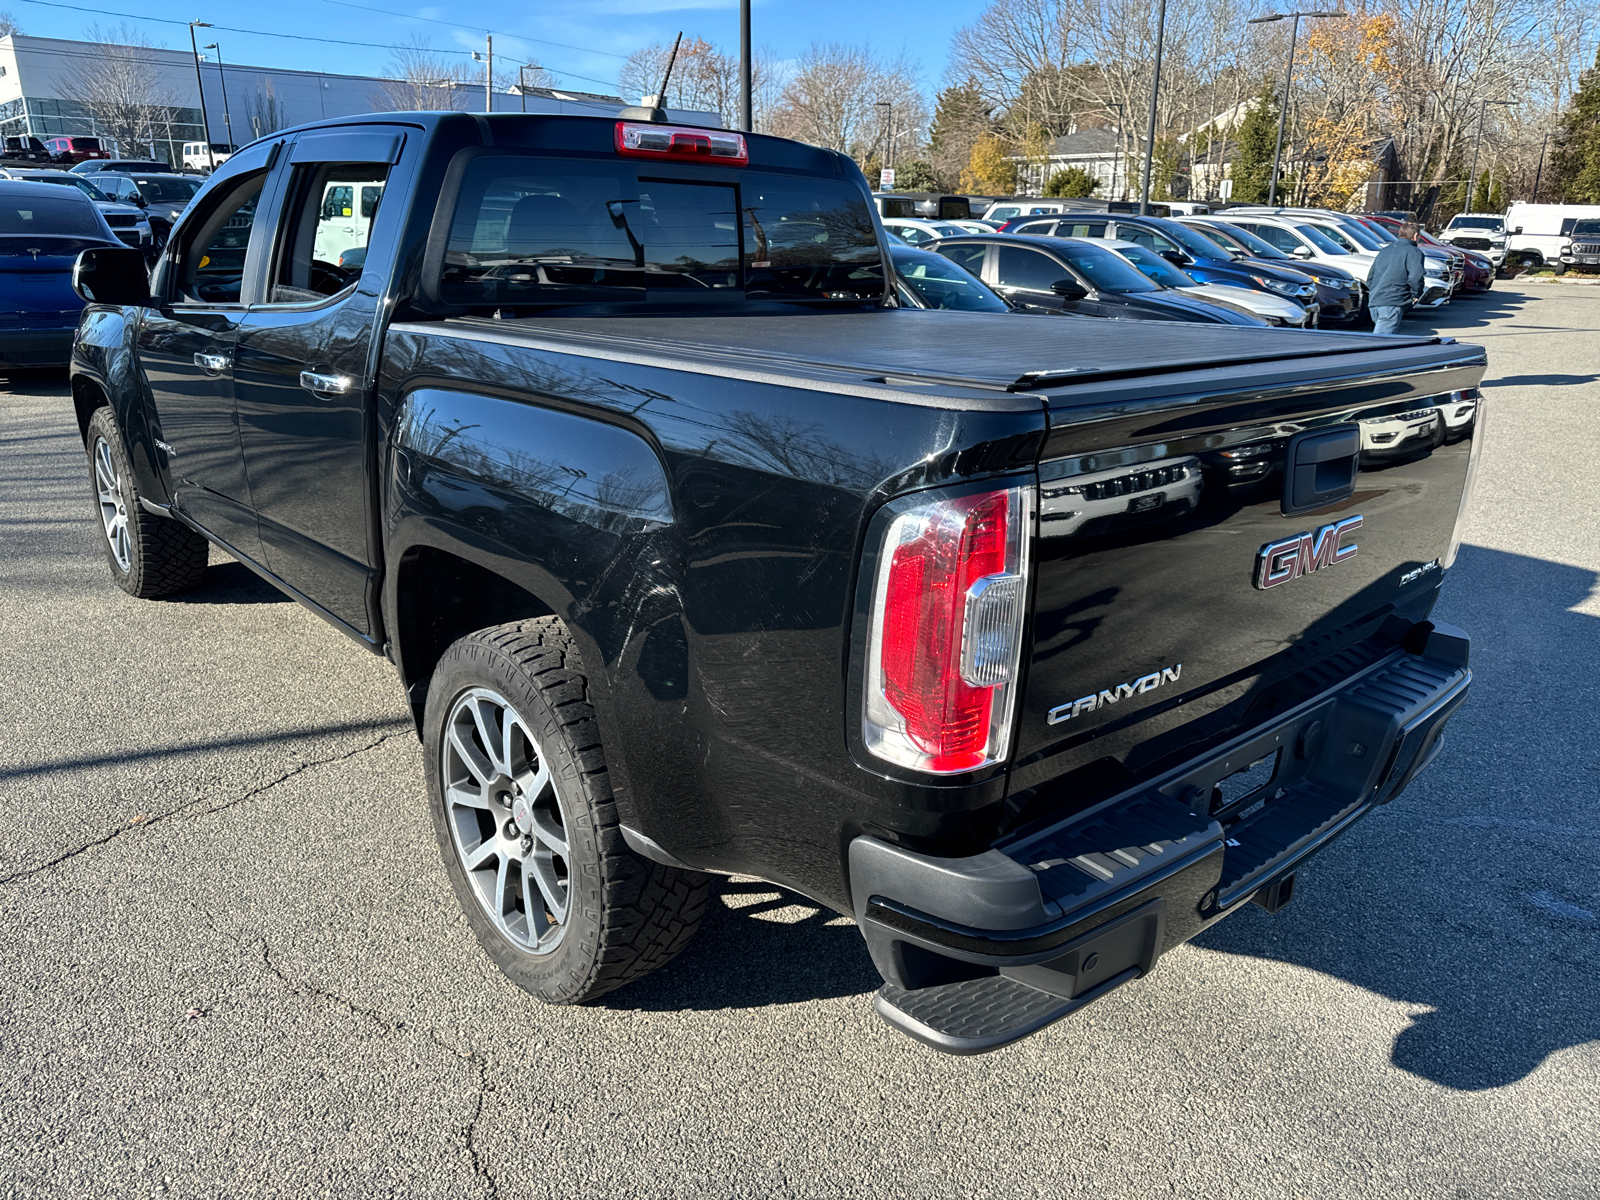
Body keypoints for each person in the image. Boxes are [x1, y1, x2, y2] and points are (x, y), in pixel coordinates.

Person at [1366, 221, 1425, 335]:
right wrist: (1415, 294)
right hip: (1392, 301)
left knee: (1390, 339)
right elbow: (1416, 276)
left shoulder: (1384, 251)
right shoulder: (1414, 252)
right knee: (1380, 342)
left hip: (1375, 300)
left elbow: (1371, 277)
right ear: (1415, 236)